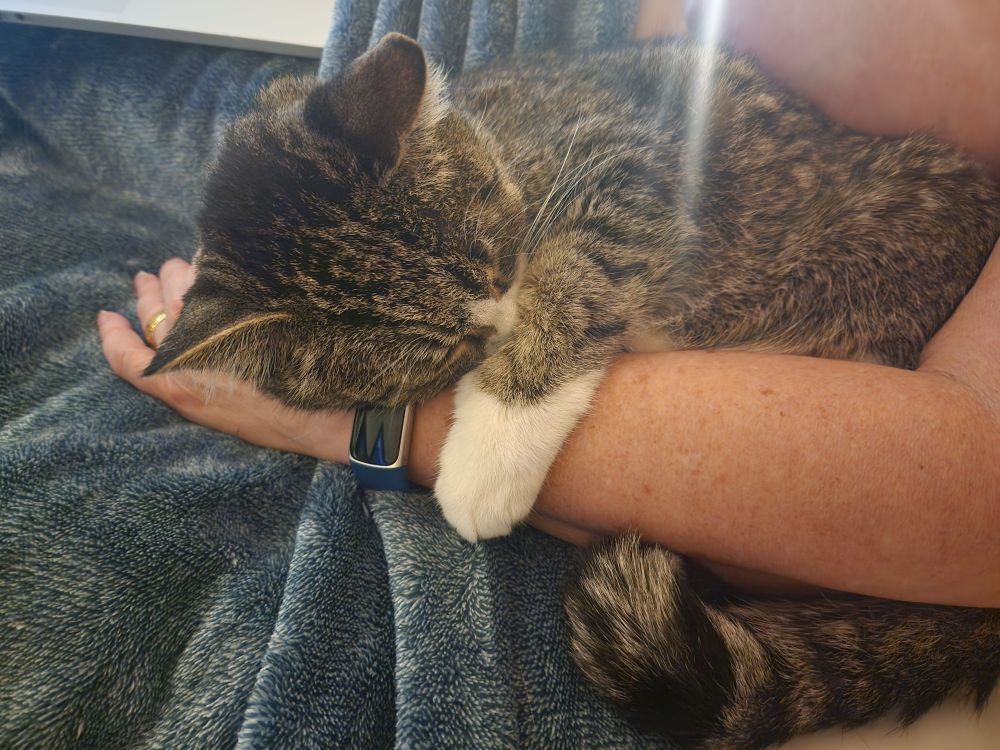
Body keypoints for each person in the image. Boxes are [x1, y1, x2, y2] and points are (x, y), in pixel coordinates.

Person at [97, 0, 1000, 606]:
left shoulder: (456, 138)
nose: (491, 317)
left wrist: (382, 424)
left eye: (490, 272)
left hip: (848, 254)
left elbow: (624, 183)